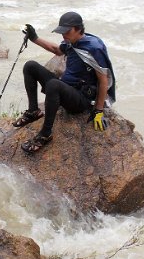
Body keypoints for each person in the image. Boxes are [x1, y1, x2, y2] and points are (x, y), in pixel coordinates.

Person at [13, 11, 115, 153]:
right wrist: (34, 37)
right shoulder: (71, 42)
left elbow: (104, 80)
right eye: (62, 31)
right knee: (30, 66)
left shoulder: (94, 47)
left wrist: (98, 110)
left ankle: (45, 134)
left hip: (80, 99)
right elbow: (56, 49)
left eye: (67, 31)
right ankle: (33, 111)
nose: (63, 35)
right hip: (66, 88)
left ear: (78, 29)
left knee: (54, 85)